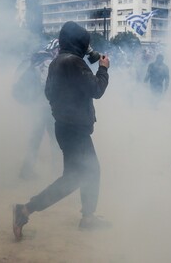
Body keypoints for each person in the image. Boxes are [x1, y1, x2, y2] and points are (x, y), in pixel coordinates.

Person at [12, 21, 110, 241]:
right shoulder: (74, 62)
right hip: (75, 128)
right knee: (82, 175)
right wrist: (103, 68)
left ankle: (86, 217)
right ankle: (26, 210)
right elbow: (96, 90)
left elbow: (48, 93)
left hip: (64, 127)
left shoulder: (57, 61)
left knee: (82, 174)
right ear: (79, 41)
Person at [19, 39, 61, 180]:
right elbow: (46, 84)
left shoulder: (39, 59)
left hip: (38, 107)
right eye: (60, 49)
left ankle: (26, 171)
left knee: (35, 140)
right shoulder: (48, 62)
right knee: (55, 140)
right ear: (55, 49)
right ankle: (57, 173)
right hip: (45, 108)